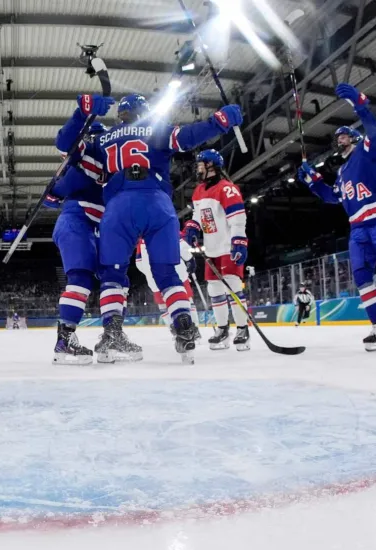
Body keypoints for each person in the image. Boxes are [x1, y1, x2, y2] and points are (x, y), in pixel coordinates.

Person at [83, 92, 243, 363]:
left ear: (121, 114)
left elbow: (81, 166)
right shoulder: (156, 128)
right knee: (167, 273)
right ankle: (183, 326)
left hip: (119, 205)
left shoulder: (103, 139)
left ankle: (111, 334)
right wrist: (220, 121)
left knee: (112, 274)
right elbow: (190, 136)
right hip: (157, 203)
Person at [297, 83, 376, 351]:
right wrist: (313, 183)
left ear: (353, 138)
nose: (337, 140)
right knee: (362, 278)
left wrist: (360, 105)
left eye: (342, 136)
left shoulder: (366, 150)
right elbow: (333, 197)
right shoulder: (341, 174)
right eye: (336, 138)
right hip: (358, 229)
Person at [48, 111, 108, 365]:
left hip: (94, 224)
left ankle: (111, 337)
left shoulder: (99, 165)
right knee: (81, 278)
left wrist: (55, 190)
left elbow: (60, 189)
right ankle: (64, 341)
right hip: (77, 220)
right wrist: (57, 190)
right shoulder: (84, 161)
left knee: (112, 278)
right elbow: (67, 148)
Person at [184, 149, 251, 351]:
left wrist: (239, 240)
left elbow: (237, 217)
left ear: (211, 166)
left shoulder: (227, 188)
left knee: (232, 286)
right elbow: (198, 216)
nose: (198, 168)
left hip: (227, 246)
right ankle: (222, 330)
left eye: (201, 164)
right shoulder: (198, 191)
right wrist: (192, 226)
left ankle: (242, 330)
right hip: (211, 248)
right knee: (214, 290)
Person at [135, 236, 200, 337]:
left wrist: (148, 271)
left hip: (155, 278)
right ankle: (194, 329)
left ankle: (175, 332)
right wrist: (190, 259)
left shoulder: (142, 236)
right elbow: (183, 247)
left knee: (163, 305)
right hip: (177, 272)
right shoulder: (168, 223)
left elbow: (139, 262)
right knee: (186, 300)